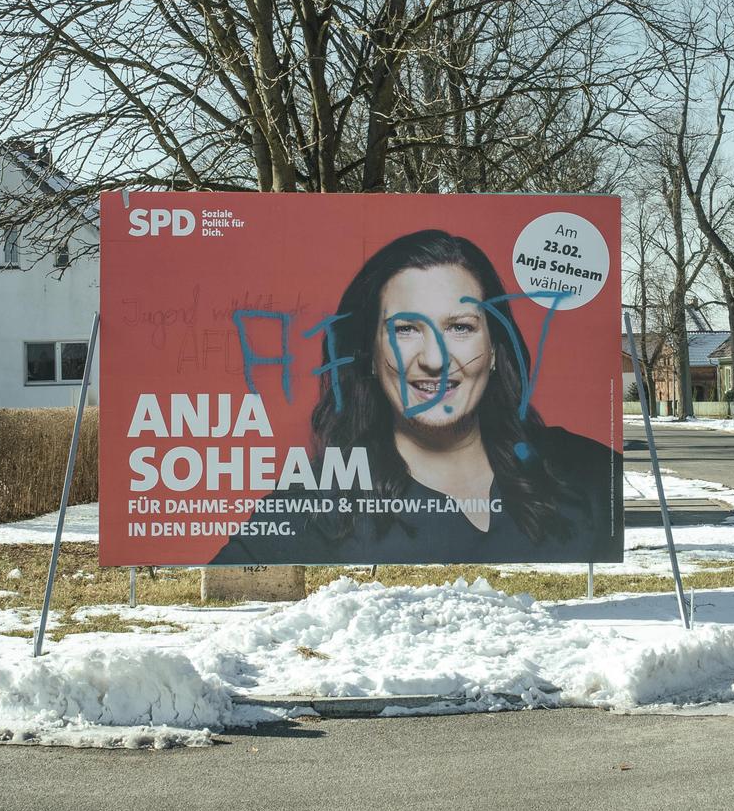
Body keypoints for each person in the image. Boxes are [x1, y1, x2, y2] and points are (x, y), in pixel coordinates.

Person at [212, 229, 620, 564]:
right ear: (369, 354)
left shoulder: (591, 474)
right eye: (404, 329)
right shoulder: (314, 504)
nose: (434, 360)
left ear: (495, 349)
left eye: (460, 327)